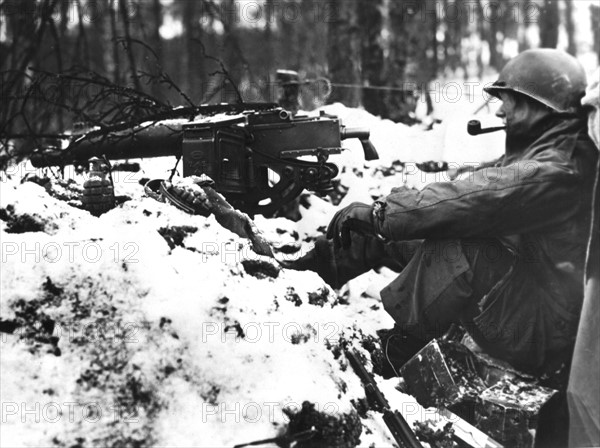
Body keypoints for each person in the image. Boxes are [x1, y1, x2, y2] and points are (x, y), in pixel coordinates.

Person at [285, 49, 597, 382]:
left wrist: (381, 213)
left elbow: (474, 199)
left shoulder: (559, 168)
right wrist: (387, 209)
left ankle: (400, 349)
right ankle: (303, 280)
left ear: (540, 106)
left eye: (510, 100)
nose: (502, 110)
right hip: (522, 300)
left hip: (541, 330)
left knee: (457, 243)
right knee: (402, 222)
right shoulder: (547, 148)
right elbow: (472, 189)